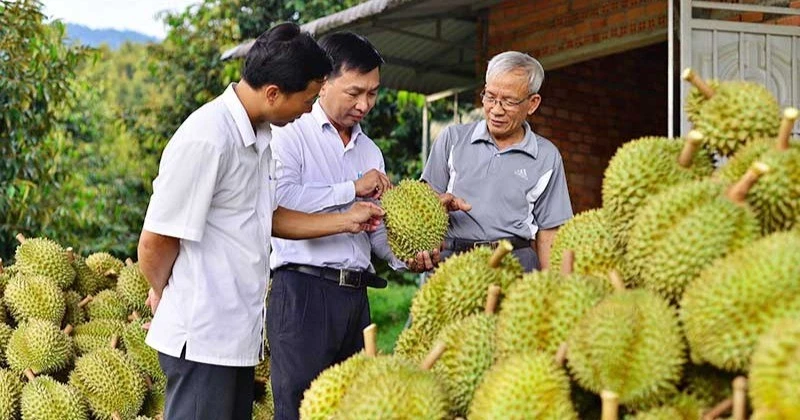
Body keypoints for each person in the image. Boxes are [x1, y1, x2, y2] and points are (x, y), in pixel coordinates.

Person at [136, 23, 385, 420]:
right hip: (202, 334)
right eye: (307, 98)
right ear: (273, 93)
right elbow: (155, 241)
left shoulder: (259, 136)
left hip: (235, 335)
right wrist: (166, 294)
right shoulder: (208, 137)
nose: (310, 107)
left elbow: (269, 218)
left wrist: (348, 221)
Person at [267, 31, 469, 419]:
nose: (364, 105)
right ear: (323, 82)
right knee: (298, 409)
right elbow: (280, 204)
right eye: (354, 92)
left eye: (373, 94)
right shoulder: (290, 134)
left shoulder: (369, 150)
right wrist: (351, 188)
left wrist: (405, 257)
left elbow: (375, 228)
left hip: (355, 298)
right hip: (303, 292)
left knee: (358, 406)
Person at [421, 51, 573, 272]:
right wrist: (437, 205)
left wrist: (556, 289)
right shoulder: (452, 139)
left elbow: (549, 233)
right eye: (490, 97)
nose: (496, 110)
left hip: (516, 264)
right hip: (455, 261)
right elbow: (423, 200)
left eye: (509, 101)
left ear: (532, 103)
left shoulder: (547, 156)